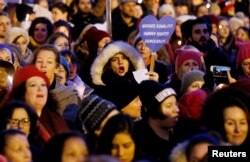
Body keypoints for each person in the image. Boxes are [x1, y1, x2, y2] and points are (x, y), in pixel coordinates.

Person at [10, 65, 69, 143]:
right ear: (22, 92)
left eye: (43, 85)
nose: (40, 89)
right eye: (33, 85)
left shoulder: (55, 116)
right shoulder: (15, 121)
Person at [31, 45, 79, 129]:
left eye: (49, 62)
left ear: (56, 68)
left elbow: (67, 124)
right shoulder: (26, 92)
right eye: (39, 61)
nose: (43, 65)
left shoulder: (68, 94)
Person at [134, 80, 179, 162]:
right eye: (168, 106)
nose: (176, 109)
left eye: (176, 104)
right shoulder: (136, 137)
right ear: (153, 110)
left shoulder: (182, 133)